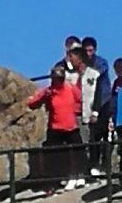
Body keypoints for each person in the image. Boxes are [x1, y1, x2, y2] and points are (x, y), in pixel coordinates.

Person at [27, 61, 85, 191]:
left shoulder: (70, 88)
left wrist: (78, 111)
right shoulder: (48, 92)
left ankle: (78, 176)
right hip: (55, 127)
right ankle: (54, 182)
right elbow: (32, 104)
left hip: (71, 126)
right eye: (55, 78)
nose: (57, 81)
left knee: (77, 152)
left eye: (60, 78)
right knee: (54, 156)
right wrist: (42, 97)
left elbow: (80, 99)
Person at [80, 35, 112, 175]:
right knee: (93, 137)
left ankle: (106, 165)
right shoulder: (81, 64)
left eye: (91, 50)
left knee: (106, 136)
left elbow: (96, 75)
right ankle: (94, 165)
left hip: (104, 102)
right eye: (86, 50)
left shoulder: (101, 63)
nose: (88, 53)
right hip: (89, 104)